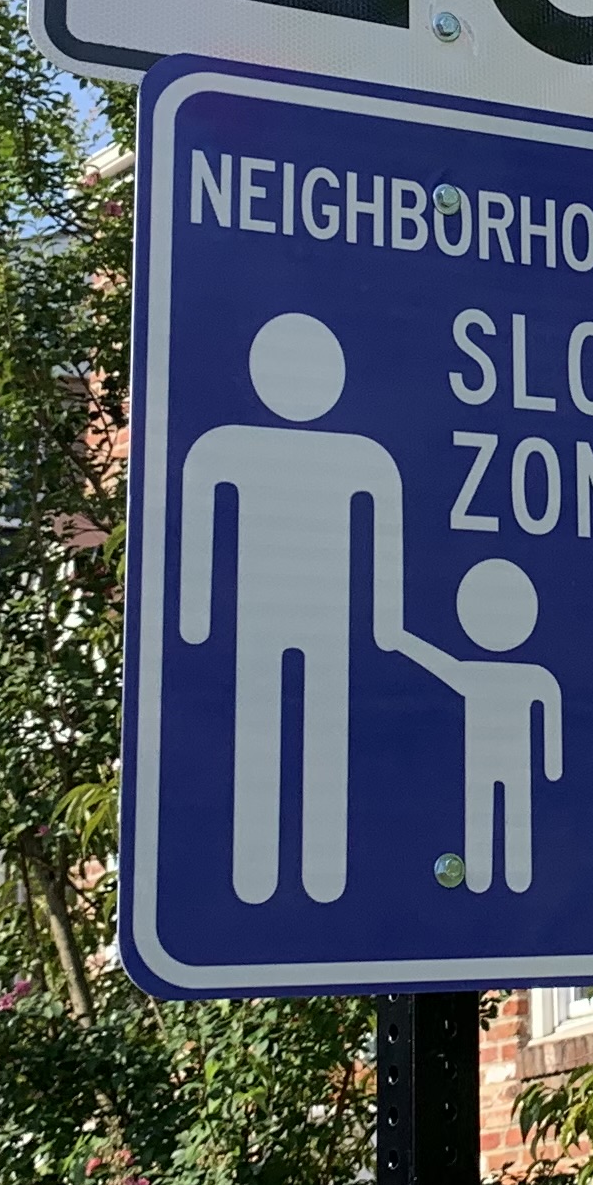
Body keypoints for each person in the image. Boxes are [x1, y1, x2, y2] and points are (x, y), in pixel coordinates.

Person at [177, 312, 411, 905]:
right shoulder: (229, 446)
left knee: (326, 730)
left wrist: (387, 623)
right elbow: (199, 519)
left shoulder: (363, 457)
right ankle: (255, 875)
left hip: (329, 621)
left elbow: (385, 535)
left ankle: (325, 870)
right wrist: (195, 617)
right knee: (260, 730)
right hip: (258, 617)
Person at [391, 558, 564, 895]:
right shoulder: (501, 674)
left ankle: (516, 878)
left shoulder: (530, 676)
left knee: (514, 816)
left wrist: (552, 767)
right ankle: (485, 878)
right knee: (481, 816)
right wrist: (401, 641)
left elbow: (551, 715)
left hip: (512, 766)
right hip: (481, 764)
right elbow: (442, 665)